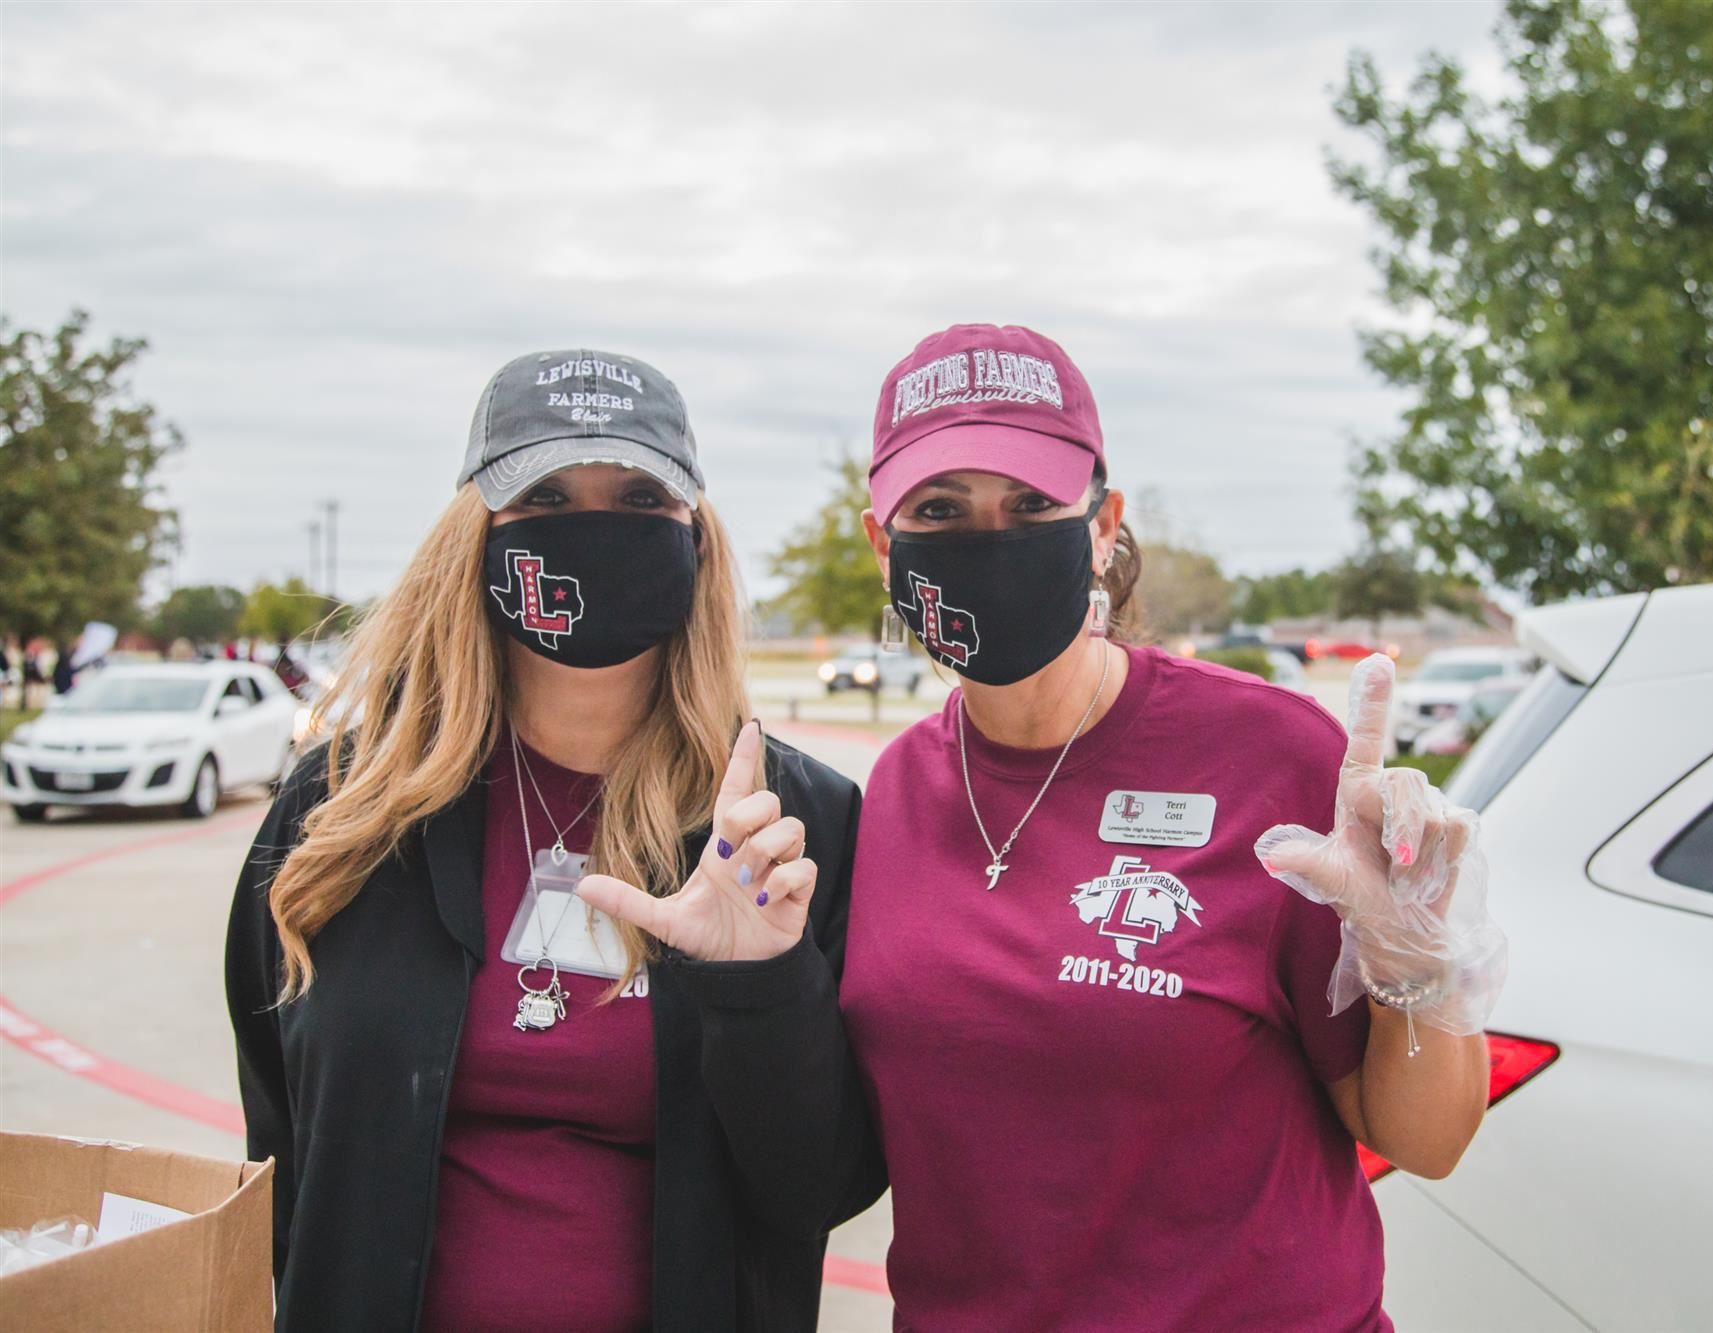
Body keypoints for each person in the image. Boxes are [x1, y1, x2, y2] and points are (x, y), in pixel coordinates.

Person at [829, 325, 1506, 1329]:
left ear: (1101, 527)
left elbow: (1425, 1139)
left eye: (1029, 506)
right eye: (939, 511)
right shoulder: (884, 797)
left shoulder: (1265, 754)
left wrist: (1414, 959)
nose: (988, 541)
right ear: (885, 544)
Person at [225, 349, 880, 1332]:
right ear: (474, 539)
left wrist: (758, 989)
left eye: (634, 495)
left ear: (694, 540)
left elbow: (818, 1183)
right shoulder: (340, 810)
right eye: (544, 493)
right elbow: (282, 1143)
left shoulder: (790, 825)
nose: (592, 525)